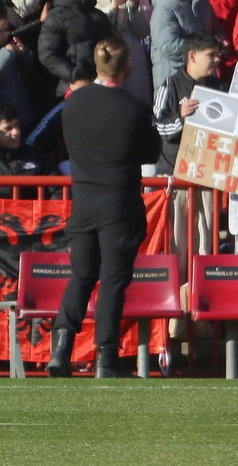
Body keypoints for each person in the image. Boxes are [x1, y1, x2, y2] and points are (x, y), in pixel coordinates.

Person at [47, 36, 160, 379]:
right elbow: (150, 152)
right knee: (112, 280)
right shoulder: (134, 108)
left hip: (83, 200)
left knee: (81, 275)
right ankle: (106, 357)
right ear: (127, 67)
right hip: (119, 202)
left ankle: (60, 349)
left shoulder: (72, 104)